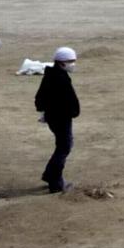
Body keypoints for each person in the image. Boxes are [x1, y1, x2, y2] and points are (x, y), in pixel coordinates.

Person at [34, 47, 80, 193]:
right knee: (64, 146)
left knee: (63, 145)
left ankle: (50, 175)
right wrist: (72, 112)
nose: (73, 64)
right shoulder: (60, 79)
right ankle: (55, 181)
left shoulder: (51, 75)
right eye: (70, 61)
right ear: (61, 63)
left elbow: (39, 98)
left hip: (54, 117)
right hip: (61, 118)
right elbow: (68, 101)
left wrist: (44, 111)